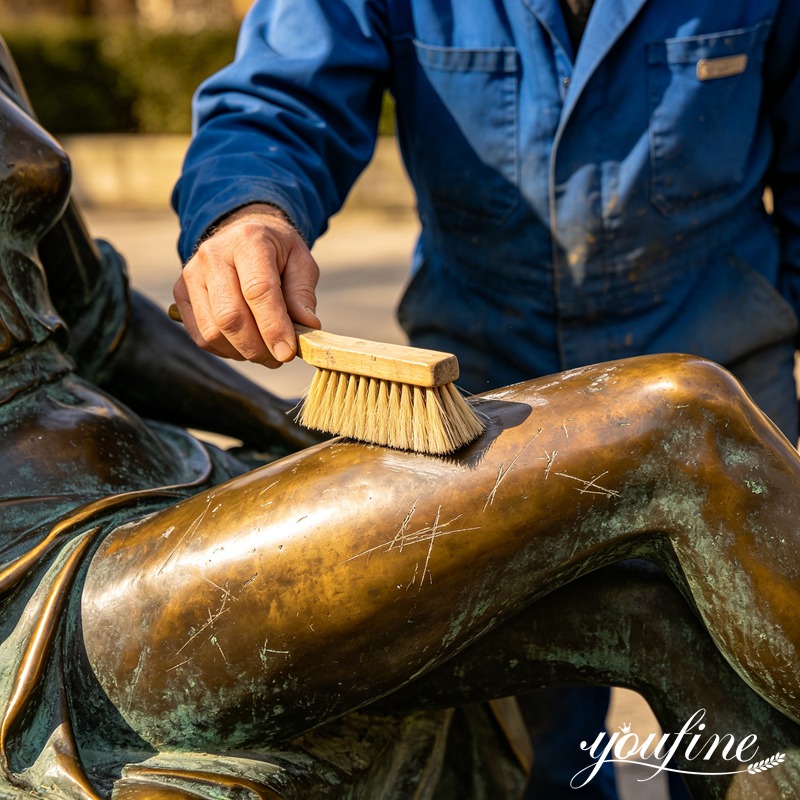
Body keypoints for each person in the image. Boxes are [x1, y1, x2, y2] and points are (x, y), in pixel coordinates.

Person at [1, 45, 800, 800]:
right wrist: (247, 213)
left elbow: (103, 319)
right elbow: (282, 93)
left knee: (671, 617)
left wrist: (306, 438)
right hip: (53, 584)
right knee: (683, 421)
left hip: (171, 485)